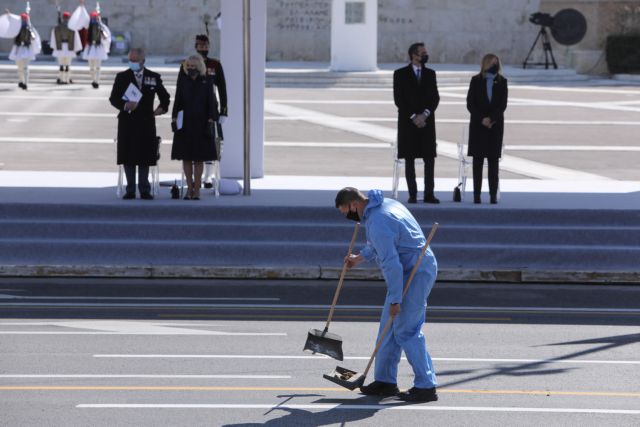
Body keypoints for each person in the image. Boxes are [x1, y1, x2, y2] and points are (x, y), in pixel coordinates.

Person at [335, 187, 439, 403]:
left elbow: (392, 265)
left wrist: (395, 299)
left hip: (415, 271)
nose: (347, 216)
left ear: (354, 204)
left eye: (345, 211)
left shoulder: (378, 222)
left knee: (406, 330)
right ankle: (385, 381)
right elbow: (379, 245)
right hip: (411, 265)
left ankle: (426, 386)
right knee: (388, 326)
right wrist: (359, 257)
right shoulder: (384, 205)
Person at [109, 48, 170, 200]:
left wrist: (161, 109)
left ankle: (144, 189)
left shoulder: (153, 77)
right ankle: (130, 189)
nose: (132, 63)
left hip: (146, 121)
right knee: (127, 154)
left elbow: (165, 96)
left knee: (145, 155)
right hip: (127, 121)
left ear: (143, 61)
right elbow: (113, 98)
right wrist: (125, 105)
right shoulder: (122, 77)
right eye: (130, 60)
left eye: (135, 61)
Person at [393, 42, 440, 204]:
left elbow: (435, 98)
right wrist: (414, 116)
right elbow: (399, 99)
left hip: (426, 124)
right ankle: (412, 193)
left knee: (429, 158)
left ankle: (429, 193)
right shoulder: (400, 74)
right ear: (414, 55)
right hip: (408, 123)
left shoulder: (431, 74)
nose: (425, 55)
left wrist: (425, 115)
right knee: (409, 158)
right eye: (423, 52)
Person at [171, 55, 218, 200]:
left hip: (202, 124)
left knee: (199, 158)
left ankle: (197, 189)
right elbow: (177, 100)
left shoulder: (207, 81)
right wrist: (173, 118)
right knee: (186, 157)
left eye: (193, 66)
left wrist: (211, 119)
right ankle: (189, 188)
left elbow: (212, 103)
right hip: (185, 123)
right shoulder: (183, 80)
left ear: (199, 67)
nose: (191, 69)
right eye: (188, 66)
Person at [466, 53, 508, 204]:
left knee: (493, 163)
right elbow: (470, 104)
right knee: (477, 162)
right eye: (491, 63)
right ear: (485, 64)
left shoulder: (502, 81)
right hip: (478, 126)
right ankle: (476, 195)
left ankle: (492, 195)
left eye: (496, 63)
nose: (494, 66)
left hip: (494, 127)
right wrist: (482, 118)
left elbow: (502, 105)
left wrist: (491, 119)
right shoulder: (476, 81)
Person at [193, 34, 228, 190]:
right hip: (193, 108)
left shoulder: (215, 64)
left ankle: (208, 177)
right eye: (200, 46)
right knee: (195, 142)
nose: (203, 48)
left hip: (211, 109)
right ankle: (196, 177)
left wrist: (224, 111)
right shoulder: (189, 63)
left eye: (206, 46)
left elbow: (222, 88)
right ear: (196, 47)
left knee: (213, 143)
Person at [9, 12, 41, 90]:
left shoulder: (29, 28)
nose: (23, 20)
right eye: (22, 19)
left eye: (24, 19)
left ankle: (25, 83)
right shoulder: (17, 28)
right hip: (18, 48)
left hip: (26, 49)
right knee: (19, 67)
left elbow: (33, 38)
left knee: (25, 67)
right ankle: (21, 81)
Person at [81, 9, 111, 89]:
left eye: (95, 18)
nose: (94, 19)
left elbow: (106, 38)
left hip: (98, 48)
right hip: (90, 48)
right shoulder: (87, 26)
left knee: (97, 67)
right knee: (91, 67)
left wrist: (102, 34)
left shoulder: (101, 27)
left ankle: (96, 81)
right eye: (92, 18)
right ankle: (93, 80)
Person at [50, 11, 81, 85]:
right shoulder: (73, 28)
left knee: (61, 65)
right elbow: (76, 39)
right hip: (69, 47)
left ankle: (61, 79)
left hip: (60, 47)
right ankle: (66, 80)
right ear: (69, 18)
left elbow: (53, 38)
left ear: (63, 18)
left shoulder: (57, 28)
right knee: (67, 65)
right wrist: (76, 48)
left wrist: (54, 47)